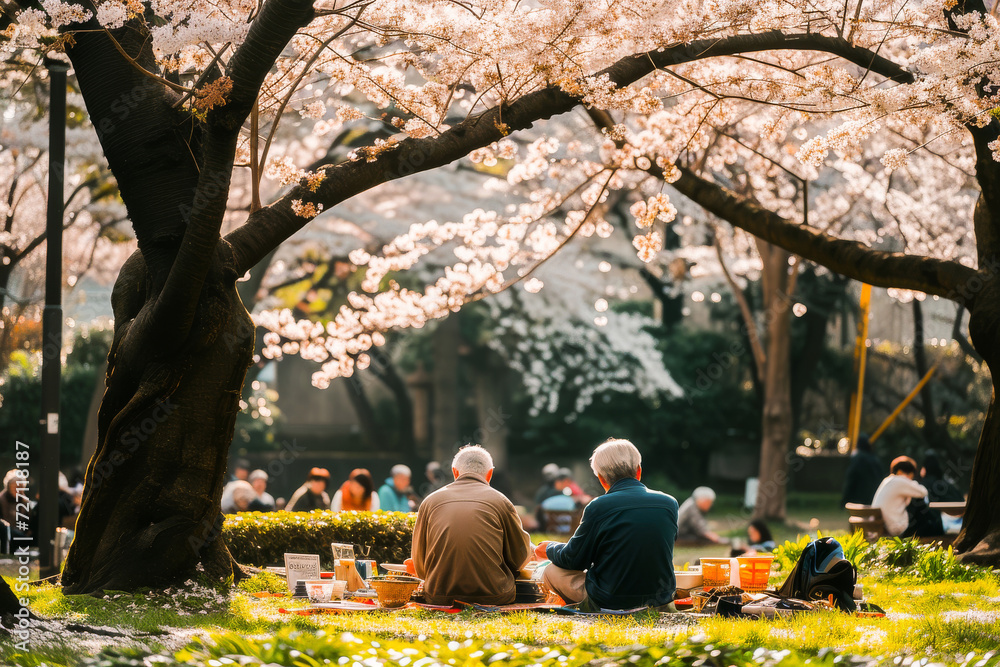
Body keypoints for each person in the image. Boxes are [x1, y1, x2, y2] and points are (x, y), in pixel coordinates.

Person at [536, 439, 678, 611]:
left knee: (551, 571)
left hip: (612, 600)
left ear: (602, 479)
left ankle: (583, 608)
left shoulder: (598, 506)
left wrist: (549, 548)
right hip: (660, 598)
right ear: (639, 471)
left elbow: (574, 560)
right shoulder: (669, 503)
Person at [409, 445, 532, 605]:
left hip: (438, 596)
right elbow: (520, 557)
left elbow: (419, 562)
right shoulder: (501, 501)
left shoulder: (430, 502)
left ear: (455, 472)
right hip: (494, 595)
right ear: (490, 474)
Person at [872, 456, 939, 537]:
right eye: (910, 476)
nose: (910, 480)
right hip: (894, 528)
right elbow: (923, 492)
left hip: (882, 525)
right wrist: (913, 483)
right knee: (919, 503)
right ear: (900, 472)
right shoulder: (899, 481)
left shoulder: (887, 480)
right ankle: (937, 531)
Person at [841, 435, 883, 505]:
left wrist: (845, 498)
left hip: (859, 497)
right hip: (873, 496)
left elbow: (851, 478)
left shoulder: (857, 459)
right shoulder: (875, 459)